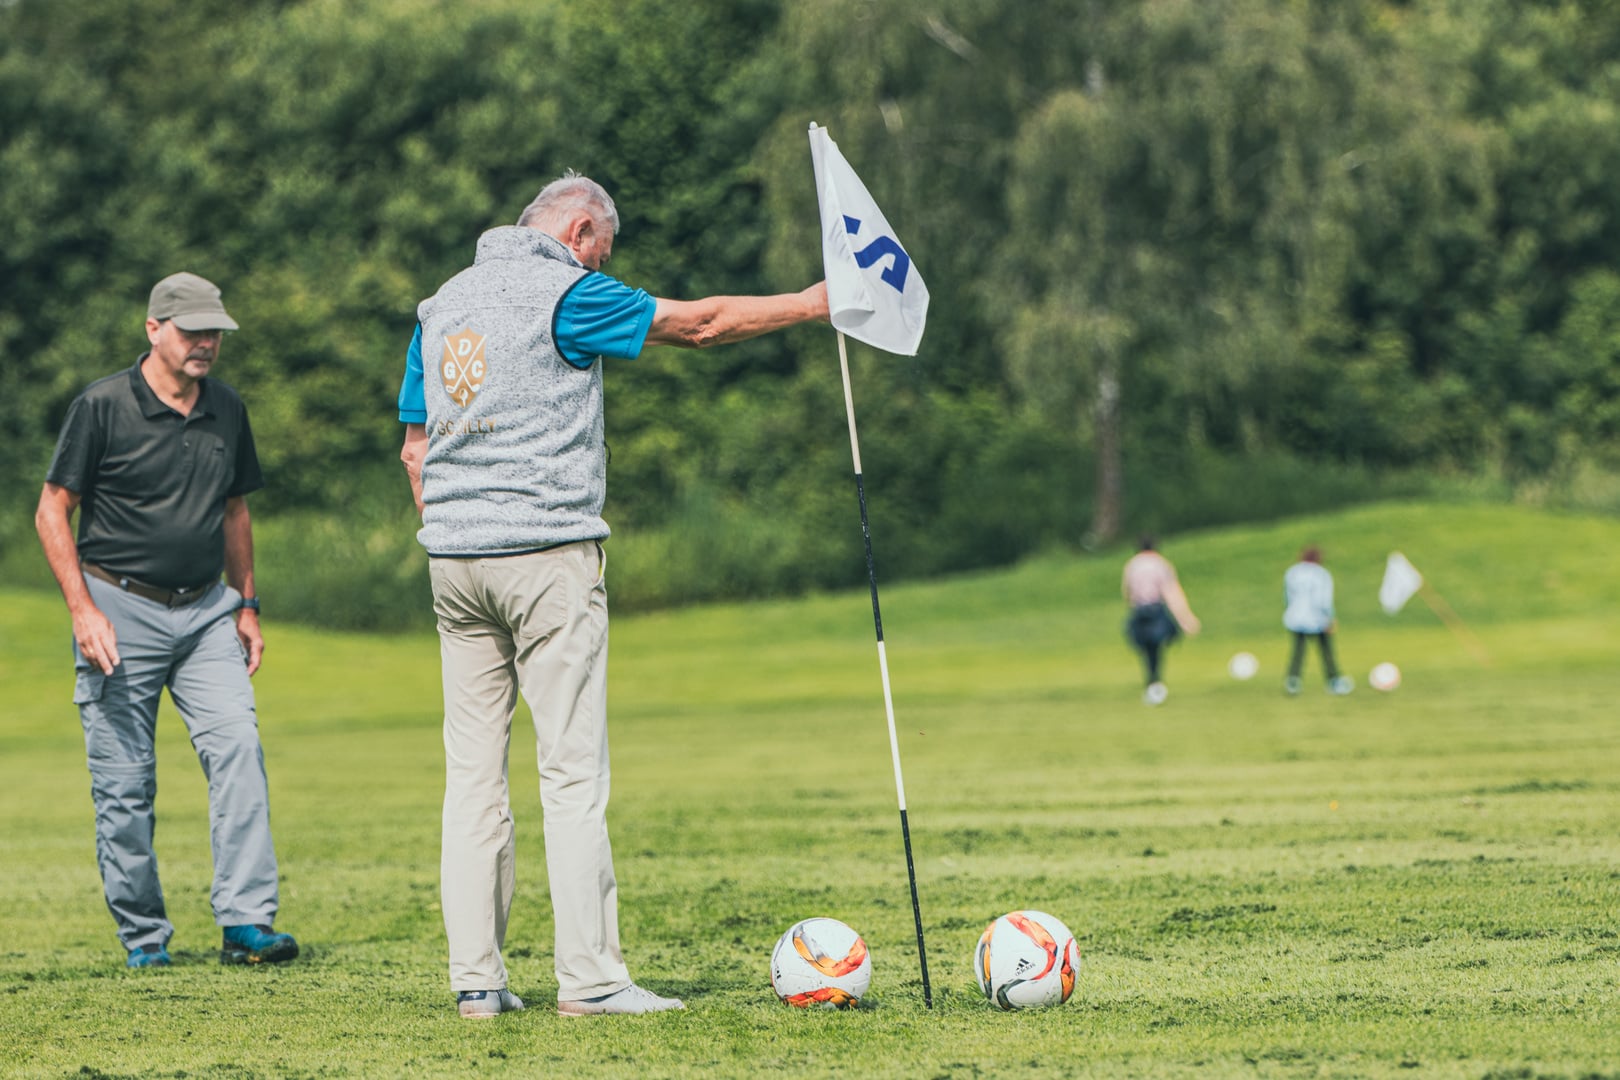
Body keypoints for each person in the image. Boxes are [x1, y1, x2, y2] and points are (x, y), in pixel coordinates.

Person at [397, 172, 829, 1019]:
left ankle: (477, 983)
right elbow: (699, 325)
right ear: (582, 230)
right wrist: (814, 303)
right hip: (546, 556)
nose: (605, 266)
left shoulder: (440, 304)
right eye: (605, 251)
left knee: (472, 779)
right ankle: (591, 981)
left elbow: (416, 451)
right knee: (570, 774)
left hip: (453, 561)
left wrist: (464, 525)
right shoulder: (565, 288)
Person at [34, 272, 298, 970]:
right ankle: (145, 937)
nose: (205, 343)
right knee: (125, 784)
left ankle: (246, 921)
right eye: (191, 331)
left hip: (207, 610)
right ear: (154, 330)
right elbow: (51, 508)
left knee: (238, 747)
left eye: (214, 332)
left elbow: (235, 510)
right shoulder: (102, 406)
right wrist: (83, 610)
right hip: (117, 609)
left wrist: (246, 603)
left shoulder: (228, 410)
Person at [1121, 535, 1200, 705]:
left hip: (1139, 611)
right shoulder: (1161, 564)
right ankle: (1155, 680)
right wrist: (1186, 618)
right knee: (1164, 639)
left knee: (1149, 650)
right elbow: (1171, 592)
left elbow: (1127, 592)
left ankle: (1152, 679)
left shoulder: (1132, 564)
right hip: (1156, 609)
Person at [1283, 546, 1352, 695]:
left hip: (1296, 618)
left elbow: (1288, 596)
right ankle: (1334, 681)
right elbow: (1323, 600)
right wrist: (1329, 617)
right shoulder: (1321, 574)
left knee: (1298, 652)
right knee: (1326, 652)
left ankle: (1293, 681)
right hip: (1317, 619)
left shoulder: (1292, 572)